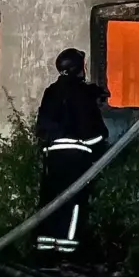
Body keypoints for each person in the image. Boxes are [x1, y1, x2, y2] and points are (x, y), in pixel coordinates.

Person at [34, 48, 109, 261]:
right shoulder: (82, 94)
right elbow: (93, 131)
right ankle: (68, 251)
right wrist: (100, 145)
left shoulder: (51, 92)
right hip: (76, 156)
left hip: (52, 156)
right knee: (74, 202)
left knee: (51, 201)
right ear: (77, 69)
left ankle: (45, 250)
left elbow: (42, 127)